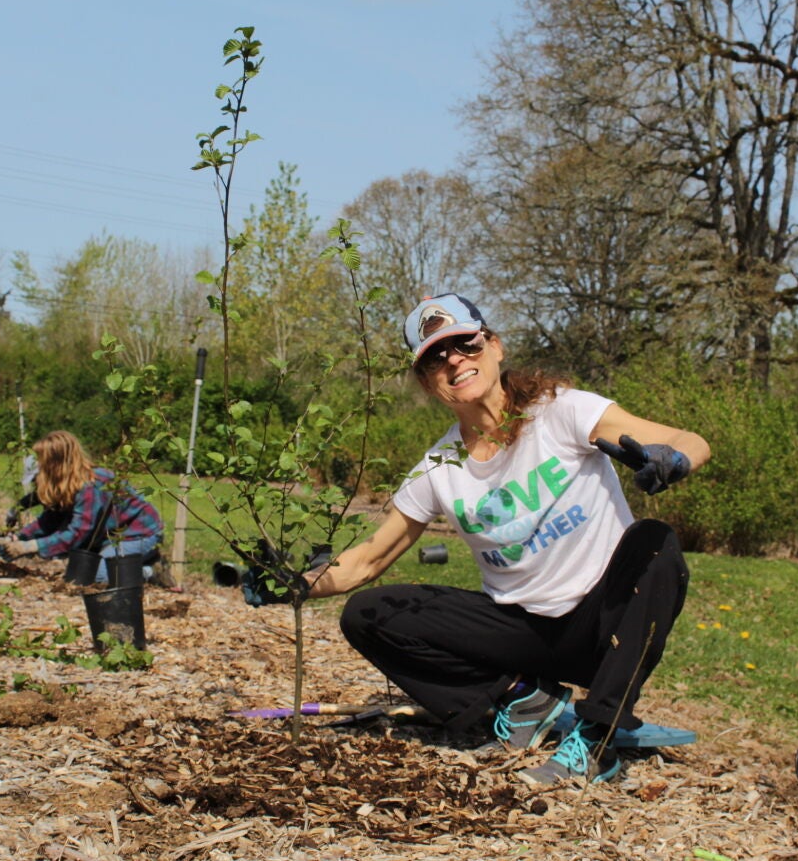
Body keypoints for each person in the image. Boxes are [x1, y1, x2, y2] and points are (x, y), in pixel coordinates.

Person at [272, 293, 710, 787]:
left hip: (604, 623)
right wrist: (291, 582)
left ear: (495, 347)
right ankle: (525, 700)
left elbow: (688, 439)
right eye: (436, 357)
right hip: (522, 634)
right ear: (427, 382)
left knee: (655, 543)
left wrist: (676, 460)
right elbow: (365, 562)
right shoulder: (438, 469)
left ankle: (597, 740)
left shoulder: (563, 412)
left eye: (466, 343)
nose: (455, 360)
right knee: (369, 613)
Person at [0, 431, 164, 582]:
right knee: (82, 572)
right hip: (109, 536)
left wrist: (31, 547)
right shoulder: (69, 486)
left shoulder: (91, 486)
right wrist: (16, 539)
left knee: (100, 576)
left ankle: (149, 570)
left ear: (55, 466)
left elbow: (77, 534)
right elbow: (49, 521)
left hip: (137, 535)